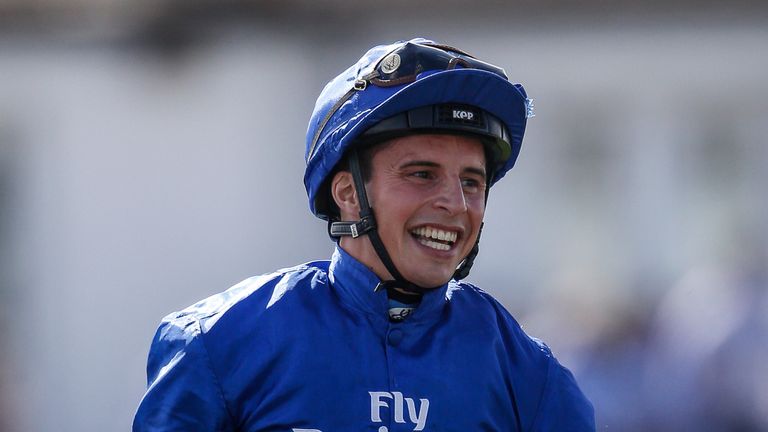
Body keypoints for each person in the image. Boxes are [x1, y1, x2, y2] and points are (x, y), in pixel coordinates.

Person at [133, 38, 595, 432]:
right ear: (349, 193)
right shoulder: (215, 343)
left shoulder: (531, 375)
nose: (455, 203)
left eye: (471, 181)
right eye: (421, 174)